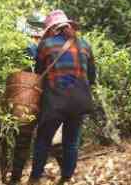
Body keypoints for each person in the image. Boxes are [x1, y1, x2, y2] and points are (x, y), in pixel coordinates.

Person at [28, 10, 96, 185]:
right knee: (71, 141)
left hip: (55, 102)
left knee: (43, 139)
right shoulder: (85, 45)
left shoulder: (46, 45)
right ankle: (66, 178)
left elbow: (38, 73)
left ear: (52, 29)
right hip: (80, 100)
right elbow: (92, 77)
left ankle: (35, 178)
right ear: (68, 26)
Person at [8, 13, 64, 185]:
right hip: (42, 96)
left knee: (25, 138)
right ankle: (66, 173)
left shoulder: (32, 46)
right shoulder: (47, 45)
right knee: (51, 137)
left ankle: (18, 178)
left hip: (28, 96)